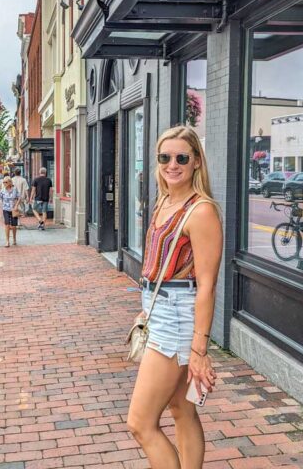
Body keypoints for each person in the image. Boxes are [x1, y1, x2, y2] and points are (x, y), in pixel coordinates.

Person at [126, 125, 223, 469]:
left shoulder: (201, 211)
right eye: (165, 157)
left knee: (140, 423)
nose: (172, 164)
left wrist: (199, 350)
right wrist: (145, 310)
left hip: (178, 317)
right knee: (182, 410)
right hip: (159, 308)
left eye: (182, 157)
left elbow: (207, 285)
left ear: (196, 161)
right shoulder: (165, 200)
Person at [0, 176, 20, 247]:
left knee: (14, 226)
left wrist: (16, 205)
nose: (4, 183)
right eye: (3, 182)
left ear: (10, 182)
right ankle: (7, 241)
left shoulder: (15, 189)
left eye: (6, 182)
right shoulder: (2, 190)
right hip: (6, 209)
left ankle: (14, 239)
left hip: (13, 209)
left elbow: (19, 197)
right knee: (7, 225)